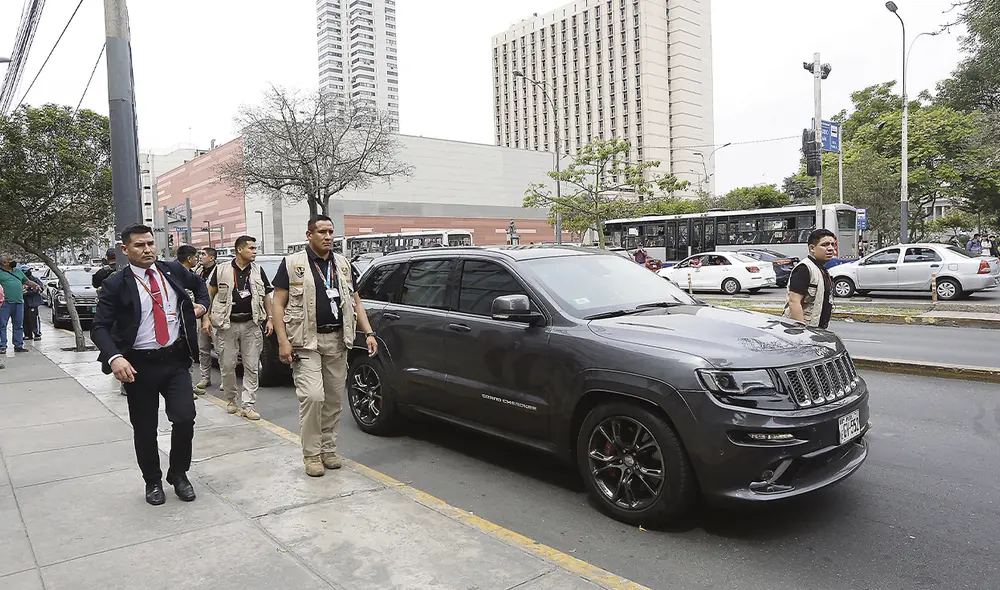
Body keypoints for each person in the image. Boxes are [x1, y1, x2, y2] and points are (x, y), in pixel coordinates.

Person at [90, 224, 209, 506]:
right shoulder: (116, 284)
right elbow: (99, 328)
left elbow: (200, 285)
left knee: (184, 418)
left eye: (150, 244)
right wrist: (115, 357)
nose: (147, 250)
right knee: (145, 428)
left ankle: (178, 474)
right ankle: (152, 481)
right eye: (139, 245)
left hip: (175, 360)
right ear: (125, 249)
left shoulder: (172, 270)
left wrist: (202, 307)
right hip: (139, 366)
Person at [271, 215, 377, 477]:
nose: (328, 237)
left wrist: (369, 332)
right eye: (321, 232)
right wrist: (283, 341)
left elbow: (356, 302)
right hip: (306, 341)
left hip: (337, 340)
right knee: (313, 396)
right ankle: (312, 454)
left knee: (332, 399)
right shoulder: (293, 264)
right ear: (309, 235)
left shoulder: (342, 265)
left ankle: (328, 450)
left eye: (330, 232)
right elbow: (277, 304)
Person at [206, 236, 273, 420]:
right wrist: (206, 318)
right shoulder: (221, 270)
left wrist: (270, 318)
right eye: (251, 248)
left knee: (252, 366)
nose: (255, 251)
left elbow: (267, 295)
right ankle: (231, 400)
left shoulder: (258, 271)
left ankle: (248, 405)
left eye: (255, 248)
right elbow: (209, 294)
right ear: (239, 250)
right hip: (227, 325)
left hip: (252, 324)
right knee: (227, 365)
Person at [783, 229, 837, 330]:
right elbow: (794, 302)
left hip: (817, 330)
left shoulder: (821, 268)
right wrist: (802, 332)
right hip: (804, 332)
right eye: (825, 245)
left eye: (832, 244)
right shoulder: (804, 268)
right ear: (812, 248)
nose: (830, 248)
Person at [0, 254, 39, 354]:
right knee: (2, 325)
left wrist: (35, 285)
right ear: (4, 263)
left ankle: (18, 345)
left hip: (19, 302)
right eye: (10, 260)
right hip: (5, 303)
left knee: (18, 325)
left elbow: (26, 281)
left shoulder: (18, 271)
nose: (13, 261)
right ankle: (2, 346)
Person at [193, 247, 218, 394]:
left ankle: (227, 379)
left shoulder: (219, 272)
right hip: (199, 313)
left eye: (203, 254)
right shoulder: (198, 272)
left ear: (212, 258)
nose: (200, 257)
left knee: (220, 348)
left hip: (215, 314)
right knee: (203, 347)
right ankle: (205, 377)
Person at [21, 266, 44, 341]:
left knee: (33, 318)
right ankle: (27, 334)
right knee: (25, 319)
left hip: (33, 302)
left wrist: (29, 292)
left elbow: (40, 288)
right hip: (23, 303)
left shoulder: (34, 280)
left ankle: (37, 333)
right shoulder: (20, 280)